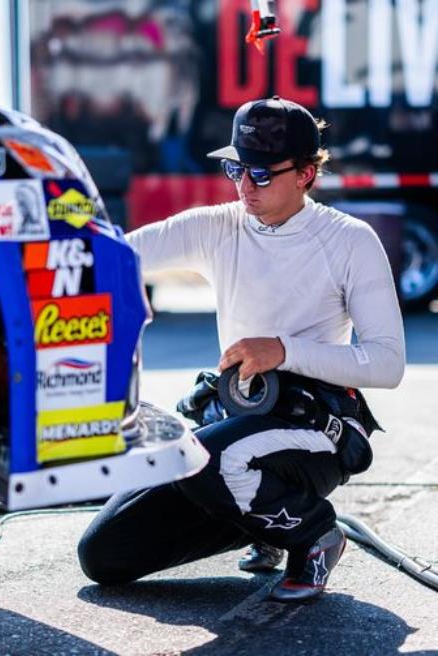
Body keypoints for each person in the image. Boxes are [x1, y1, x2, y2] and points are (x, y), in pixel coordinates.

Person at [77, 96, 406, 602]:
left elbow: (387, 363)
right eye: (235, 168)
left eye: (260, 172)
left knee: (205, 457)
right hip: (237, 418)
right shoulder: (216, 226)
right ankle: (266, 524)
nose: (244, 186)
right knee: (104, 555)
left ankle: (312, 532)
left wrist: (282, 350)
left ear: (306, 174)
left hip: (317, 428)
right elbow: (114, 256)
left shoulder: (349, 241)